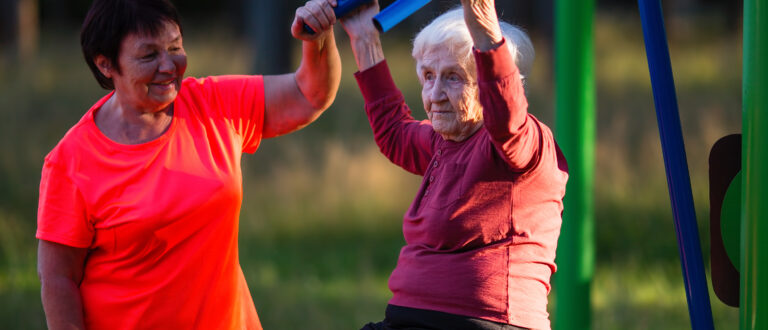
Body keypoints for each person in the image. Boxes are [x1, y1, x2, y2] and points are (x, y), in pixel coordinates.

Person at [35, 0, 341, 328]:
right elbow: (57, 278)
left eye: (175, 47)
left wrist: (318, 39)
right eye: (149, 55)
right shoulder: (72, 161)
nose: (169, 65)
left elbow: (309, 94)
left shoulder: (213, 103)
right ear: (106, 64)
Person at [339, 0, 568, 329]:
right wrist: (363, 37)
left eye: (453, 78)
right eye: (428, 76)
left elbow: (505, 111)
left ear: (486, 85)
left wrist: (479, 15)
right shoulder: (443, 142)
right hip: (408, 320)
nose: (435, 94)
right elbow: (393, 131)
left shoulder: (523, 142)